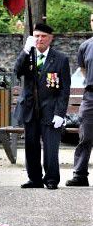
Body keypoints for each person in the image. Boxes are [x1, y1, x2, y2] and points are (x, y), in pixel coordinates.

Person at [14, 23, 71, 190]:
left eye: (43, 36)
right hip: (30, 109)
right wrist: (25, 51)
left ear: (51, 38)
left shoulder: (61, 59)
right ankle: (35, 179)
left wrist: (60, 113)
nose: (40, 39)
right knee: (31, 146)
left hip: (50, 109)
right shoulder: (28, 55)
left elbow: (64, 89)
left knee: (51, 148)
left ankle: (52, 178)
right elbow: (17, 71)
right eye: (37, 36)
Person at [66, 13, 93, 187]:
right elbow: (83, 69)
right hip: (91, 96)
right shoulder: (85, 46)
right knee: (85, 137)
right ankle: (80, 175)